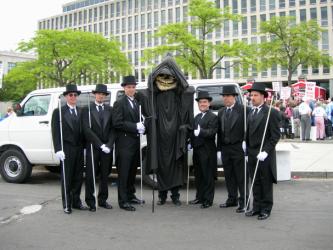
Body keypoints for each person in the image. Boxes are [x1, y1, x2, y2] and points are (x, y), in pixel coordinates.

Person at [245, 83, 281, 220]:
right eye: (251, 95)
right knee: (255, 182)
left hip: (264, 153)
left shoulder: (271, 113)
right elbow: (248, 133)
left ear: (263, 97)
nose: (252, 98)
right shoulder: (250, 112)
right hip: (253, 152)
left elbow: (275, 135)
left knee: (265, 181)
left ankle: (266, 208)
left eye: (255, 95)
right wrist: (246, 148)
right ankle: (256, 207)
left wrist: (266, 151)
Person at [51, 84, 87, 214]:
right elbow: (55, 132)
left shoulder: (81, 111)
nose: (73, 97)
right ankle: (67, 203)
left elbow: (83, 132)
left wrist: (84, 147)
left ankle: (76, 201)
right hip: (66, 149)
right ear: (66, 97)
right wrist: (58, 149)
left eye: (75, 95)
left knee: (78, 177)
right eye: (70, 95)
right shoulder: (59, 112)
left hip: (78, 149)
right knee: (67, 177)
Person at [112, 75, 145, 211]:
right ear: (124, 88)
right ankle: (123, 201)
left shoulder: (136, 103)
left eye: (133, 87)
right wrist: (134, 126)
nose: (131, 89)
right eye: (128, 87)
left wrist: (142, 126)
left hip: (134, 143)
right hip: (124, 144)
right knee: (124, 173)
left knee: (132, 172)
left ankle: (131, 195)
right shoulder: (119, 103)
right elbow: (117, 123)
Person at [82, 84, 115, 211]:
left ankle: (102, 200)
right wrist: (99, 144)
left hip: (107, 148)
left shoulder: (110, 110)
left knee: (105, 175)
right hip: (93, 147)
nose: (101, 96)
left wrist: (109, 145)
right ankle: (91, 201)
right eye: (99, 93)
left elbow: (114, 129)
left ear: (105, 96)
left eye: (103, 94)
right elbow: (86, 129)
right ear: (95, 94)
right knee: (91, 175)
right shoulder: (87, 110)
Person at [217, 85, 249, 213]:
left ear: (234, 97)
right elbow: (219, 132)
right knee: (229, 176)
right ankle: (232, 199)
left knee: (241, 176)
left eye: (228, 96)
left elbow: (249, 128)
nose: (225, 98)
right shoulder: (221, 112)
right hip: (225, 148)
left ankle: (244, 202)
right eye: (224, 96)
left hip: (238, 147)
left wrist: (246, 142)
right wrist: (219, 149)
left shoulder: (244, 110)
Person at [189, 91, 217, 209]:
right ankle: (199, 197)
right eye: (200, 102)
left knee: (208, 176)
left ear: (209, 103)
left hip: (208, 151)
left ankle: (208, 199)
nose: (202, 104)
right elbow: (192, 132)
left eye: (205, 102)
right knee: (199, 175)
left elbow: (212, 132)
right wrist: (189, 141)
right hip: (197, 150)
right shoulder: (197, 117)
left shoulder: (213, 117)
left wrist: (201, 132)